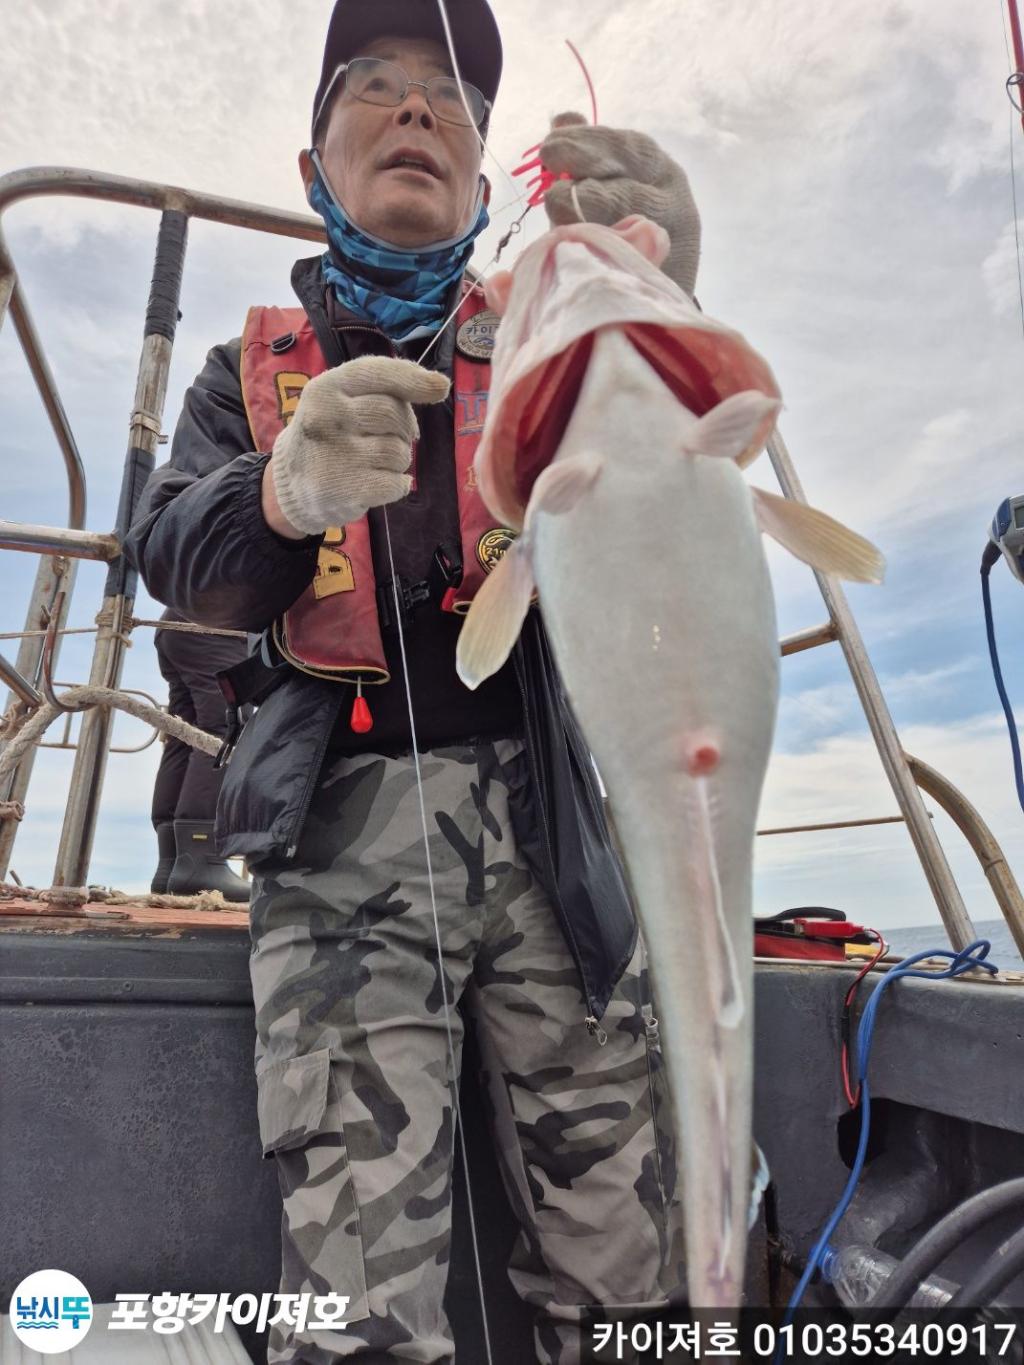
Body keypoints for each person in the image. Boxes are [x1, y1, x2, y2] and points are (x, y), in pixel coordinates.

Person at [125, 1, 703, 1359]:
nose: (415, 112)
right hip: (338, 825)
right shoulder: (243, 375)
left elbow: (666, 413)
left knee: (627, 1257)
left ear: (486, 167)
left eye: (450, 99)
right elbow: (168, 551)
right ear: (313, 169)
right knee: (357, 1296)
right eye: (372, 89)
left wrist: (667, 278)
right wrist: (279, 492)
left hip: (562, 836)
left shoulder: (553, 336)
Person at [149, 606, 250, 901]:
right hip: (217, 619)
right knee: (225, 726)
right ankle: (202, 861)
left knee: (186, 732)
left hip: (179, 619)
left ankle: (172, 862)